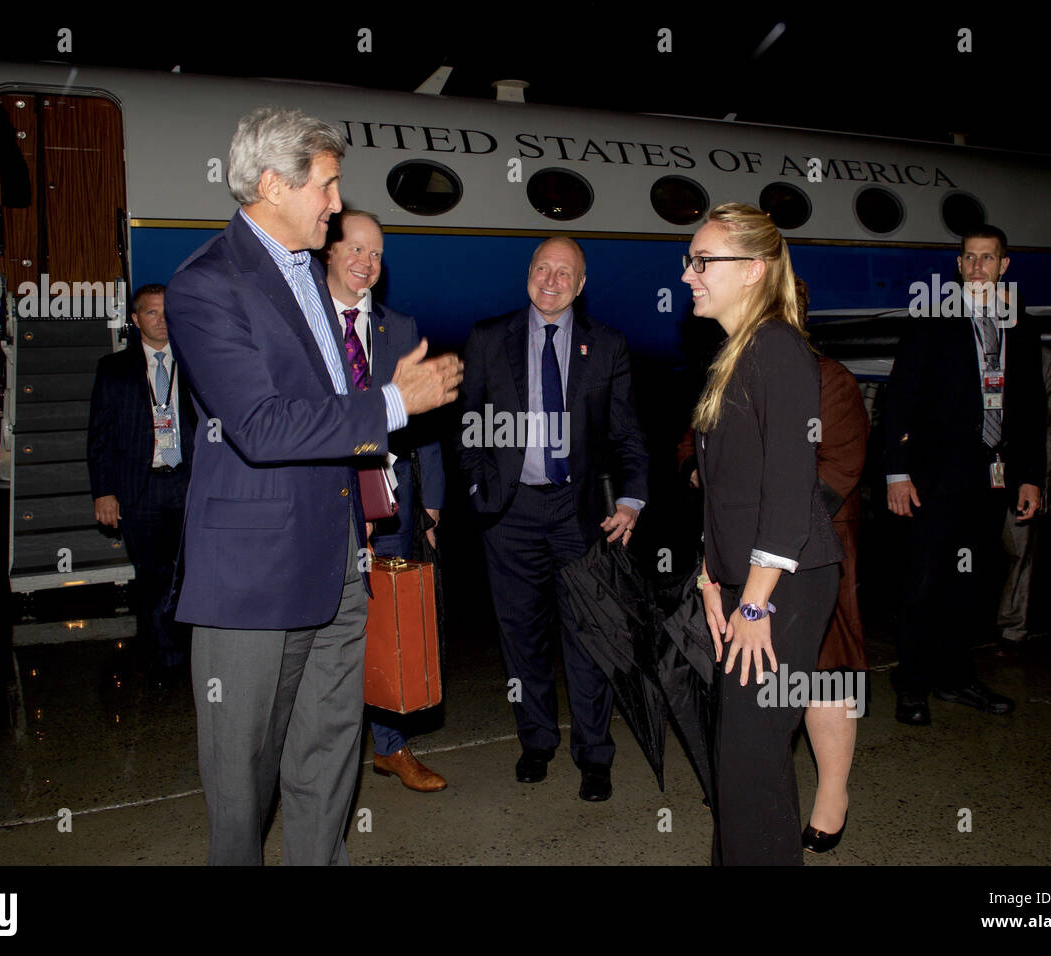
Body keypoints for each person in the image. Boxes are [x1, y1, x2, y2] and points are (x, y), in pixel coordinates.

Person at [163, 107, 462, 866]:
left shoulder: (307, 277)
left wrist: (374, 440)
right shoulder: (206, 286)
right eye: (327, 186)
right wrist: (396, 403)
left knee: (328, 763)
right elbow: (263, 426)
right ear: (273, 184)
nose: (336, 202)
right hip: (253, 580)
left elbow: (330, 411)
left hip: (338, 565)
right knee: (241, 785)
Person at [459, 237, 648, 802]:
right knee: (522, 638)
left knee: (590, 636)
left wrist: (632, 499)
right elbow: (470, 424)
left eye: (564, 272)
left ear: (581, 284)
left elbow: (628, 432)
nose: (551, 280)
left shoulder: (607, 345)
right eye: (543, 268)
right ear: (528, 276)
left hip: (581, 512)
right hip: (510, 514)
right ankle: (535, 740)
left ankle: (594, 755)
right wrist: (479, 491)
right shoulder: (489, 338)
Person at [685, 203, 844, 866]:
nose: (687, 273)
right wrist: (710, 578)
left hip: (785, 587)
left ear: (752, 271)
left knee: (749, 768)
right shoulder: (736, 353)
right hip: (750, 582)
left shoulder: (776, 347)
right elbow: (724, 489)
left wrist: (753, 601)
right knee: (743, 765)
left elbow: (787, 490)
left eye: (702, 261)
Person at [884, 224, 1045, 726]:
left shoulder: (1021, 327)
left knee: (970, 584)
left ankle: (956, 677)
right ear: (959, 266)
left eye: (988, 258)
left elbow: (1031, 409)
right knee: (923, 582)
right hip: (932, 480)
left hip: (990, 479)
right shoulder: (930, 321)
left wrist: (1029, 476)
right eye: (969, 258)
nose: (978, 267)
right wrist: (895, 473)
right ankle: (911, 685)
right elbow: (897, 401)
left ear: (1004, 266)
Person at [322, 209, 447, 792]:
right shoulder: (304, 322)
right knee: (326, 626)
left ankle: (391, 748)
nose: (366, 263)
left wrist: (434, 501)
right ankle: (324, 752)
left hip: (390, 503)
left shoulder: (400, 327)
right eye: (355, 249)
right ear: (328, 251)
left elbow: (426, 423)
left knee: (388, 620)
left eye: (376, 254)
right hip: (320, 503)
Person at [86, 283, 196, 685]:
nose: (162, 320)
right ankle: (165, 655)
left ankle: (187, 647)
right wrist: (104, 491)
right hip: (141, 487)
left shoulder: (197, 362)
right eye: (152, 313)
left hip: (188, 484)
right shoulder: (113, 369)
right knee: (151, 575)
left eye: (168, 311)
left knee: (189, 571)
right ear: (135, 320)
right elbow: (100, 436)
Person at [802, 333, 870, 853]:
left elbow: (842, 463)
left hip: (819, 539)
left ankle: (832, 797)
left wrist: (779, 533)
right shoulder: (731, 370)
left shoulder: (831, 378)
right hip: (742, 544)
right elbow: (697, 438)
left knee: (828, 668)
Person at [996, 345, 1051, 647]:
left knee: (1019, 551)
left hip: (1018, 475)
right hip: (975, 472)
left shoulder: (1047, 362)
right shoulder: (968, 351)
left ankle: (1011, 628)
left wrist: (1033, 472)